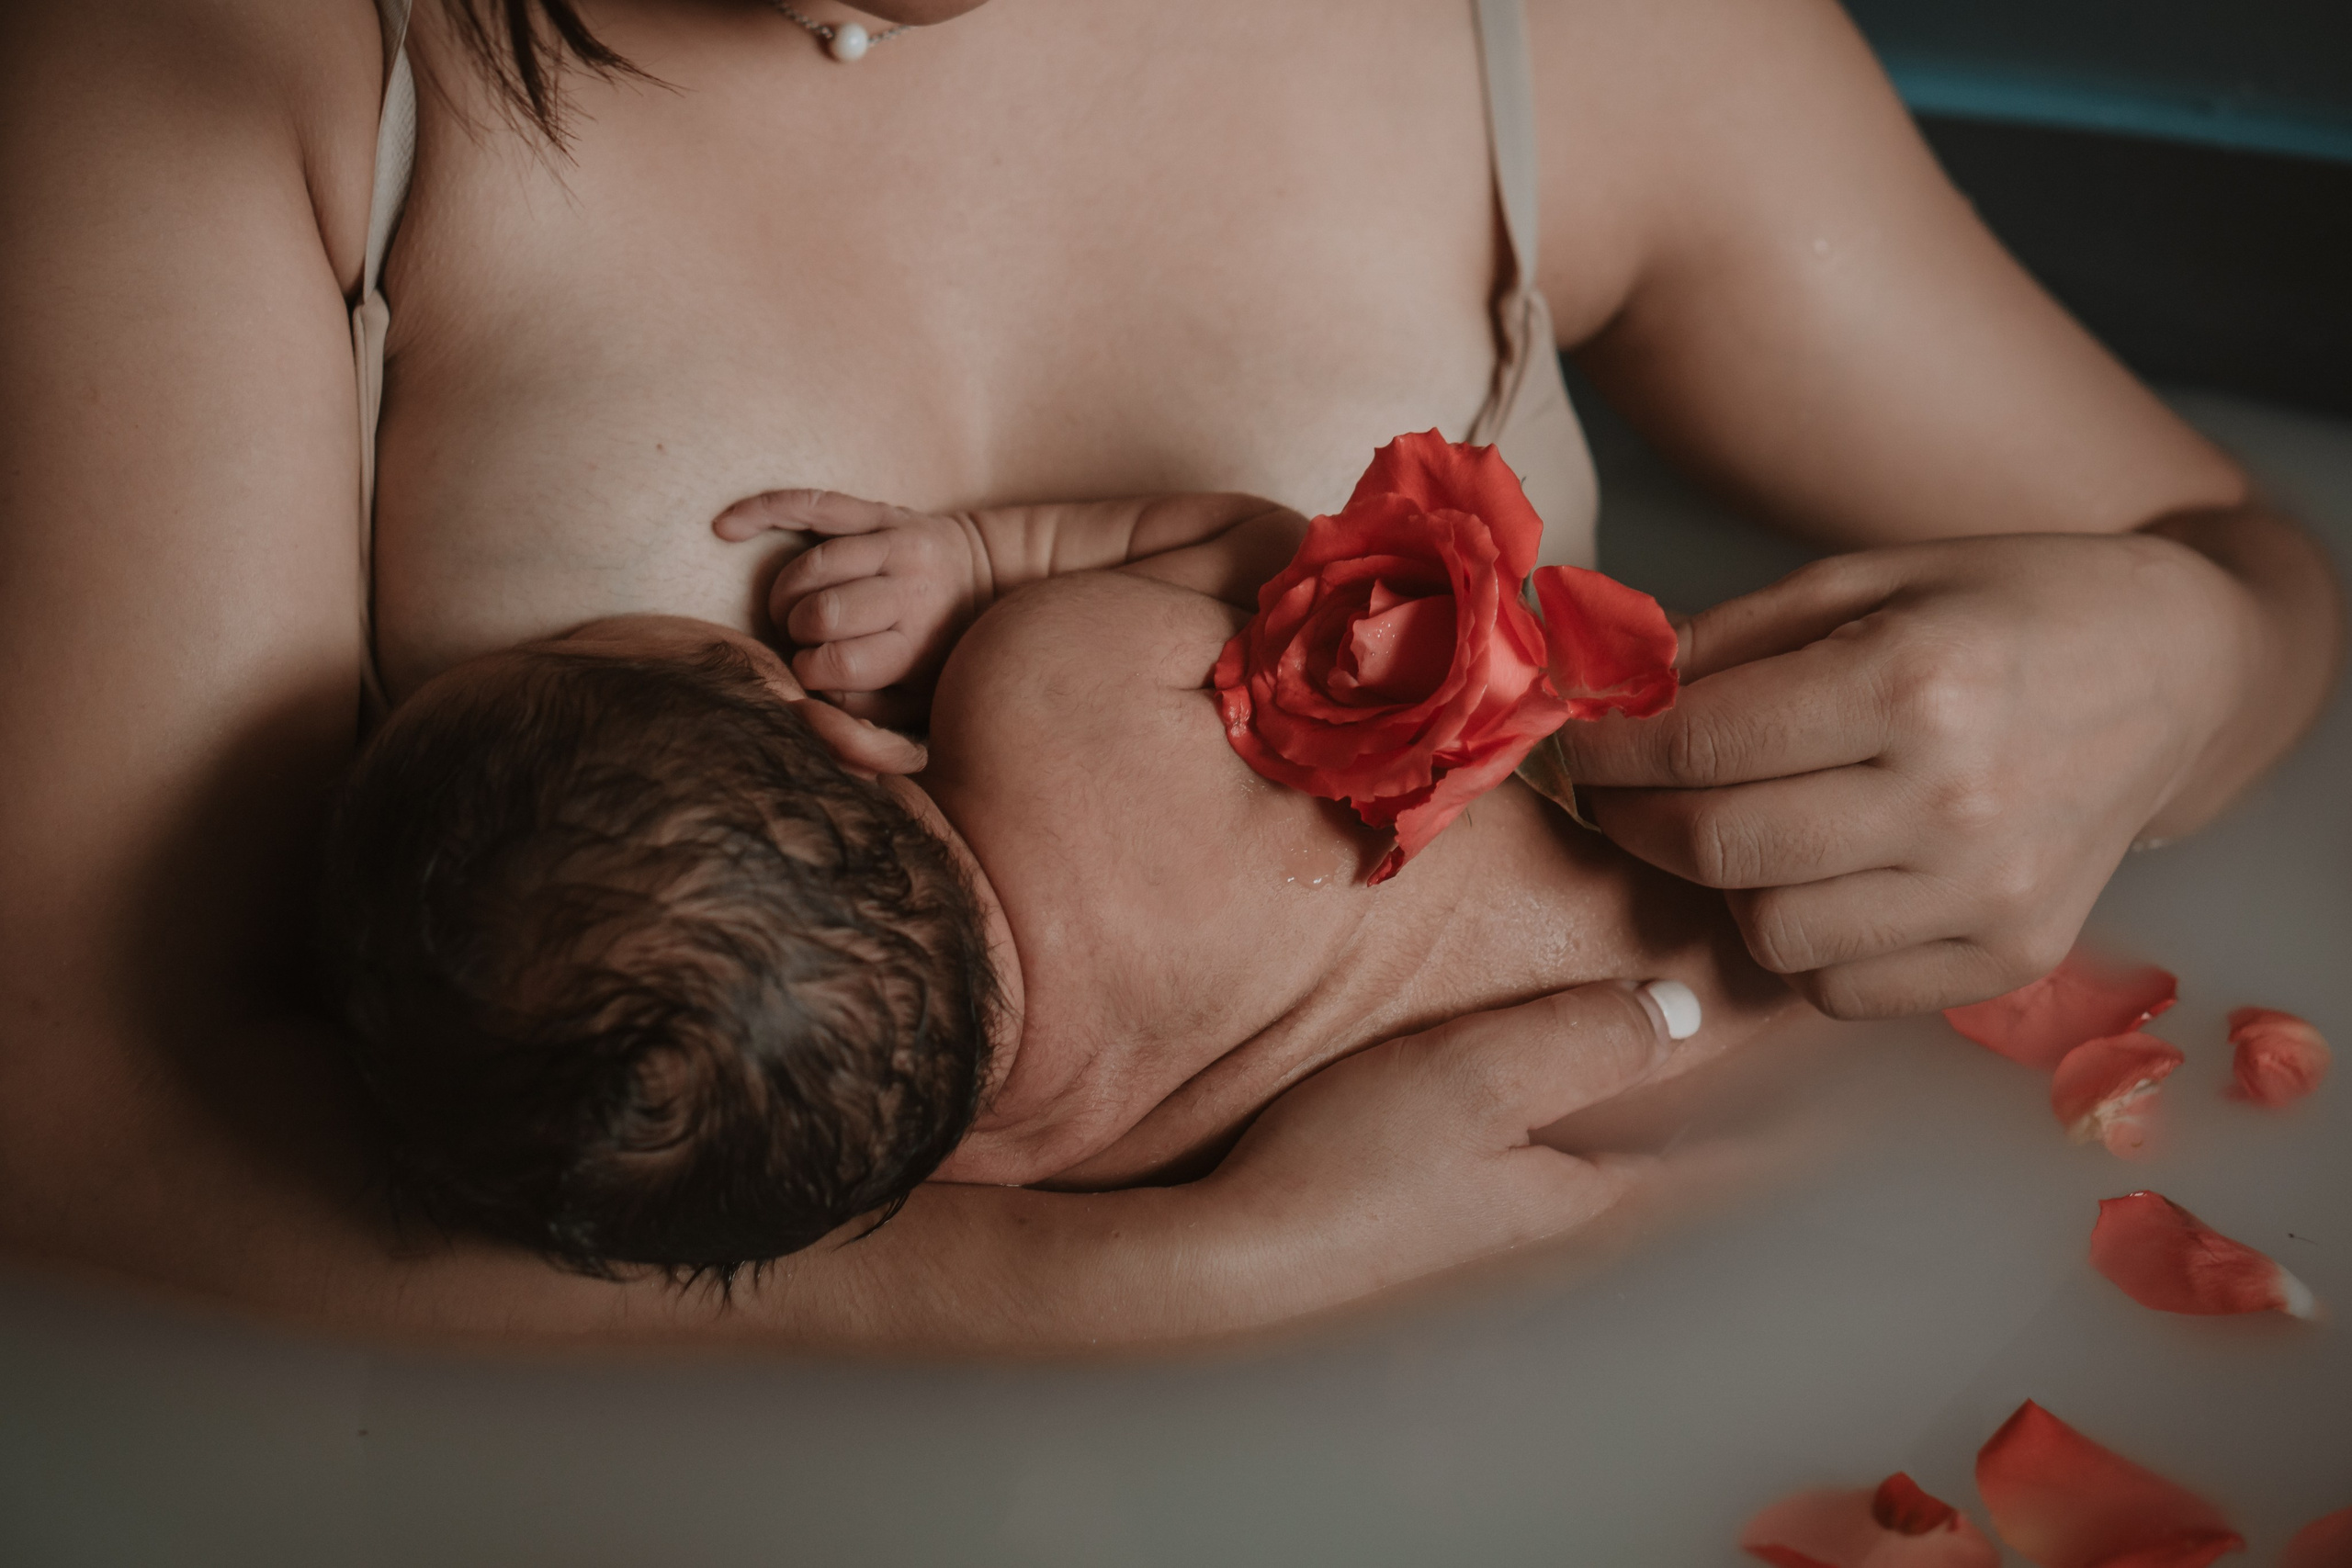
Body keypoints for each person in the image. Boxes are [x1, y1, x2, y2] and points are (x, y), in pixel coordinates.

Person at [3, 0, 2338, 1347]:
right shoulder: (229, 60)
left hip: (1617, 1348)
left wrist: (2152, 669)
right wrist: (1140, 1281)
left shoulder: (1563, 33)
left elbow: (2245, 570)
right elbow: (76, 1106)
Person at [315, 484, 1778, 1276]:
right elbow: (1280, 557)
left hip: (1663, 1114)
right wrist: (976, 557)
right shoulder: (1039, 682)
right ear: (831, 732)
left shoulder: (999, 1166)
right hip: (1756, 831)